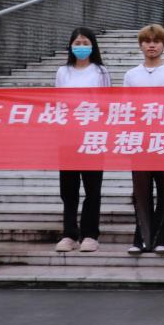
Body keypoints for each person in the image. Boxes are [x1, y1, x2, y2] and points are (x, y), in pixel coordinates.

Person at [122, 24, 164, 255]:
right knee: (141, 192)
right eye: (147, 41)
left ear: (163, 45)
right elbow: (126, 108)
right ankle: (141, 239)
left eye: (156, 41)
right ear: (141, 45)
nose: (151, 45)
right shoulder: (131, 75)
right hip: (140, 139)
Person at [54, 27, 111, 254]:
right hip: (68, 136)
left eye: (85, 42)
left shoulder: (100, 71)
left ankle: (90, 234)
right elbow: (58, 102)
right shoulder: (63, 71)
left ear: (93, 46)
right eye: (77, 43)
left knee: (92, 188)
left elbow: (107, 102)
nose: (81, 47)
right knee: (68, 189)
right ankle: (69, 234)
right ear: (70, 46)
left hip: (92, 136)